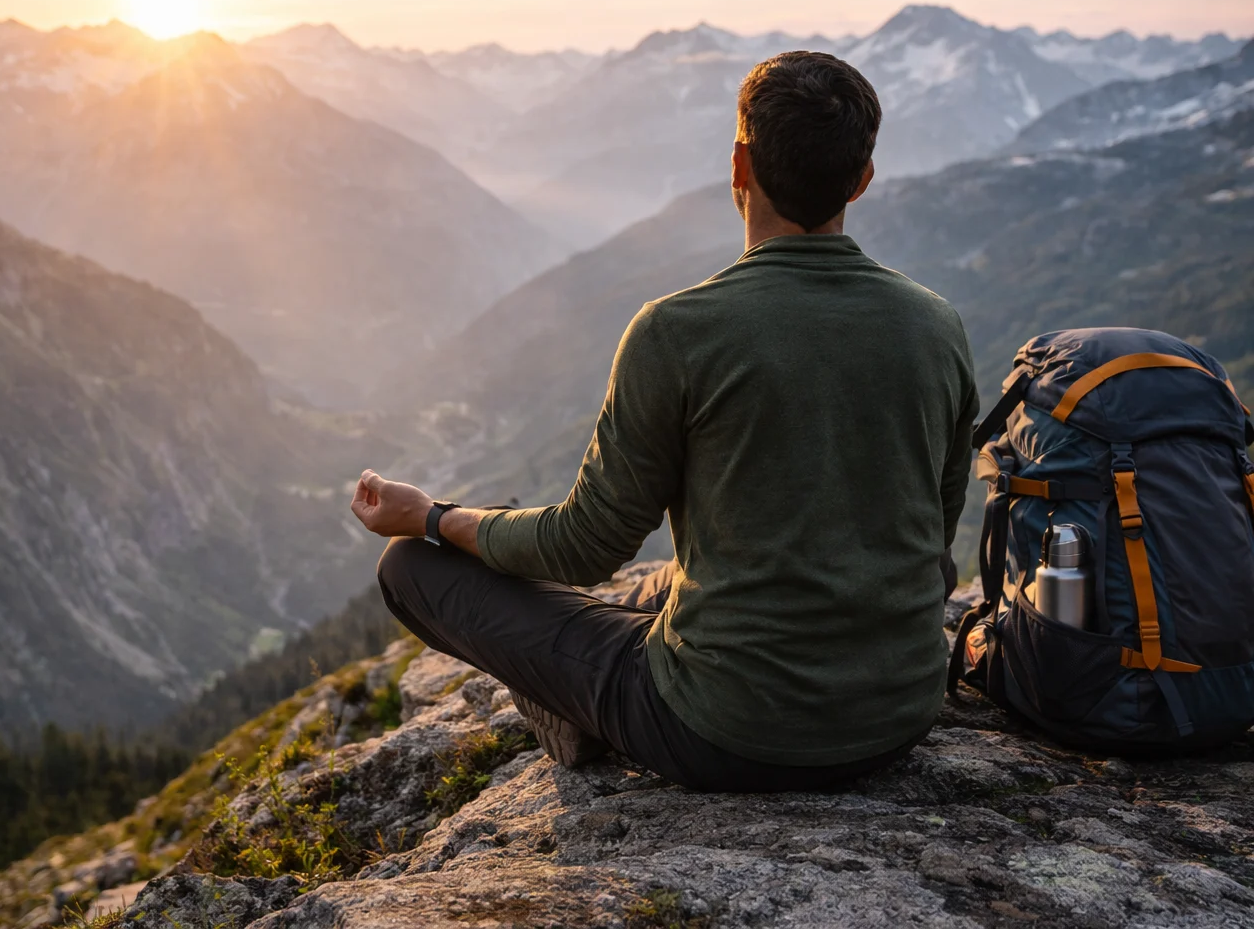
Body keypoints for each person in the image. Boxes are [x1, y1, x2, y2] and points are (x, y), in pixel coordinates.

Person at [350, 51, 979, 793]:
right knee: (663, 590)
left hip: (723, 731)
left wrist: (433, 517)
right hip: (896, 721)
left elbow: (585, 547)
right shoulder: (935, 325)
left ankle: (578, 708)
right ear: (863, 178)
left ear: (739, 165)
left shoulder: (678, 332)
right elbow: (933, 538)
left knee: (410, 569)